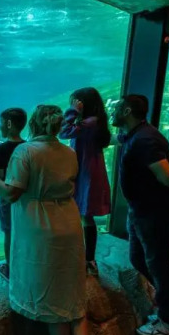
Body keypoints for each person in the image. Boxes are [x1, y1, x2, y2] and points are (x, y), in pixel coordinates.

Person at [0, 104, 106, 335]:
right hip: (69, 223)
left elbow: (11, 193)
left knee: (51, 295)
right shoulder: (69, 152)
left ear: (33, 123)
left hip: (40, 227)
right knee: (72, 292)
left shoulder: (26, 152)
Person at [111, 94, 169, 335]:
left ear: (127, 111)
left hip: (156, 214)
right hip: (143, 212)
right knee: (140, 259)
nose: (112, 111)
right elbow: (114, 139)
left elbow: (168, 178)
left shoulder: (145, 140)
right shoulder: (136, 134)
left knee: (159, 268)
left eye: (116, 108)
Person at [59, 87, 112, 277]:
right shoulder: (94, 121)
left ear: (83, 105)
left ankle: (87, 258)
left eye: (75, 103)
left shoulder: (88, 123)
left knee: (84, 215)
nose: (72, 105)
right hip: (88, 172)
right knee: (84, 216)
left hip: (86, 174)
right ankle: (87, 258)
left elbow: (63, 132)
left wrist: (72, 112)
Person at [0, 108, 28, 281]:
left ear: (8, 124)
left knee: (8, 232)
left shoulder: (1, 149)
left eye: (1, 123)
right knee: (22, 231)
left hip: (7, 198)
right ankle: (24, 264)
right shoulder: (28, 147)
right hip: (25, 197)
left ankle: (10, 268)